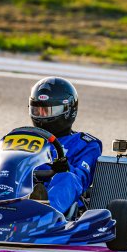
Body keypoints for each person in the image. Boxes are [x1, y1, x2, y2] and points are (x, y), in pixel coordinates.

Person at [28, 77, 102, 219]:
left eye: (48, 111)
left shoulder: (86, 143)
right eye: (37, 111)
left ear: (69, 110)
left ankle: (46, 212)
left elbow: (81, 179)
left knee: (67, 178)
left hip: (61, 195)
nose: (42, 116)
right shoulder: (25, 137)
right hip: (23, 186)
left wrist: (65, 167)